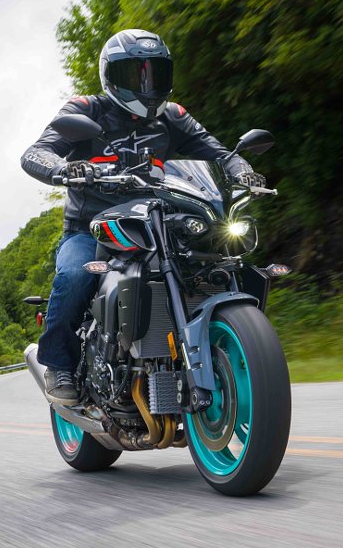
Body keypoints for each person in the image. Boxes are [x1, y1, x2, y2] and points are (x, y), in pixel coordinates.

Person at [20, 29, 265, 404]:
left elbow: (219, 153)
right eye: (136, 75)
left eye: (155, 74)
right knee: (72, 275)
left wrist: (240, 168)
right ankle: (59, 365)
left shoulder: (172, 116)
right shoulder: (85, 110)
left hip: (160, 222)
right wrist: (62, 169)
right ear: (112, 76)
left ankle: (231, 350)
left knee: (220, 259)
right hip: (95, 228)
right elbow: (37, 152)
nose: (147, 85)